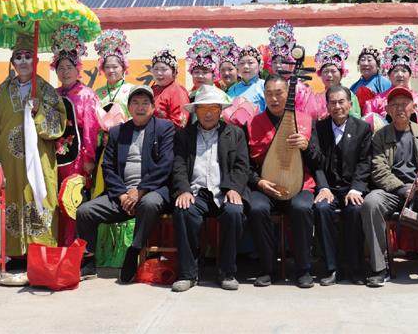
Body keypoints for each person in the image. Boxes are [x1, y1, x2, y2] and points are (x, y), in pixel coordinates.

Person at [76, 85, 175, 283]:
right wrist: (122, 194)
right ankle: (89, 261)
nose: (140, 107)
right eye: (135, 103)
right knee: (85, 211)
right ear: (129, 107)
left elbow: (165, 166)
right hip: (122, 196)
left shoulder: (164, 128)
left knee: (149, 203)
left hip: (151, 191)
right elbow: (108, 167)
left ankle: (134, 251)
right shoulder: (117, 132)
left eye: (145, 103)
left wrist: (140, 191)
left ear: (153, 107)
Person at [0, 35, 67, 274]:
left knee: (39, 200)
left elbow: (59, 124)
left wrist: (40, 110)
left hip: (38, 158)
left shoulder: (46, 90)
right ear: (12, 62)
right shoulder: (3, 90)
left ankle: (40, 253)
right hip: (10, 160)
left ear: (36, 61)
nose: (23, 61)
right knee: (12, 201)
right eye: (18, 57)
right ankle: (15, 254)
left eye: (28, 56)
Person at [362, 86, 418, 287]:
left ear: (413, 108)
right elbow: (378, 169)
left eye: (404, 104)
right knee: (371, 203)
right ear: (387, 110)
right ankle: (379, 268)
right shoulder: (380, 136)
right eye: (395, 105)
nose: (400, 108)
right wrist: (401, 188)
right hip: (392, 191)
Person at [170, 85, 250, 292]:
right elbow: (178, 165)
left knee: (234, 212)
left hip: (223, 191)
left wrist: (234, 188)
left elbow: (242, 166)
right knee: (183, 210)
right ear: (196, 111)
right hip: (196, 192)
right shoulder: (184, 135)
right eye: (203, 108)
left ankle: (227, 272)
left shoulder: (235, 133)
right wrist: (184, 189)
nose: (208, 113)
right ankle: (188, 274)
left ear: (220, 110)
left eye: (213, 108)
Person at [245, 74, 319, 288]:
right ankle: (267, 269)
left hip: (300, 184)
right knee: (257, 208)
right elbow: (245, 164)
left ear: (288, 94)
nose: (274, 98)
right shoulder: (253, 123)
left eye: (279, 93)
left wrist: (306, 147)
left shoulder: (305, 120)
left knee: (302, 207)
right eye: (269, 94)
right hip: (265, 185)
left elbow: (318, 161)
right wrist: (258, 182)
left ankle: (303, 269)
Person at [311, 85, 371, 285]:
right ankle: (331, 268)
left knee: (356, 210)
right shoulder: (319, 128)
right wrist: (323, 187)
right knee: (321, 209)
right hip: (328, 187)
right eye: (333, 102)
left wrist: (356, 188)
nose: (337, 106)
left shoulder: (362, 128)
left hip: (352, 187)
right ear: (327, 106)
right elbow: (315, 162)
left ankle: (355, 267)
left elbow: (365, 163)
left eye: (341, 102)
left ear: (350, 104)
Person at [51, 25, 101, 246]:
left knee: (72, 199)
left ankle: (74, 248)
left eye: (69, 67)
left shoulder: (86, 95)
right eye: (60, 68)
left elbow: (91, 129)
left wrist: (89, 159)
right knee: (55, 200)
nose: (65, 72)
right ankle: (57, 245)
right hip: (55, 158)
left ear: (78, 68)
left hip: (78, 158)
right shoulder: (53, 94)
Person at [91, 29, 135, 199]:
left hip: (126, 144)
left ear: (123, 67)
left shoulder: (131, 90)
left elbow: (136, 117)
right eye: (107, 67)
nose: (111, 70)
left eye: (115, 66)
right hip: (103, 146)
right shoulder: (97, 93)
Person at [380, 27, 418, 128]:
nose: (400, 74)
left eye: (404, 71)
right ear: (388, 75)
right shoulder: (377, 101)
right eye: (395, 71)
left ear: (410, 74)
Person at [314, 34, 361, 118]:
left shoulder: (349, 95)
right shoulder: (317, 98)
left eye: (333, 71)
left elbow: (355, 121)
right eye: (326, 71)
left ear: (341, 74)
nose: (329, 75)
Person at [150, 48, 190, 128]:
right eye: (156, 69)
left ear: (174, 72)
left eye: (164, 69)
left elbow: (179, 123)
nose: (159, 73)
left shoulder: (178, 92)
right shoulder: (152, 89)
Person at [227, 44, 266, 111]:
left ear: (260, 66)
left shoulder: (265, 86)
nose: (245, 66)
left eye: (250, 63)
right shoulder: (232, 89)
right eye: (242, 63)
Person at [185, 28, 220, 95]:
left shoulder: (219, 96)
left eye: (205, 72)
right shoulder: (189, 96)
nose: (200, 76)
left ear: (214, 75)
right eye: (196, 72)